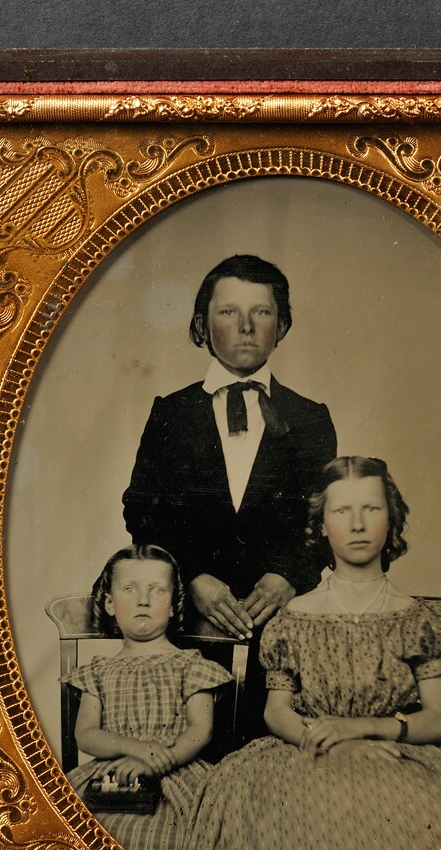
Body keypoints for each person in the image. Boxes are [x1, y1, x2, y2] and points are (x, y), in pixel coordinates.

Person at [176, 457, 441, 850]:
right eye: (342, 511)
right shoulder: (293, 618)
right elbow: (277, 711)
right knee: (283, 832)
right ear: (321, 526)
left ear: (392, 518)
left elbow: (439, 718)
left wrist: (365, 731)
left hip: (398, 758)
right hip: (305, 754)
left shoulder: (420, 619)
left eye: (371, 508)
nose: (358, 524)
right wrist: (332, 740)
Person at [122, 255, 337, 745]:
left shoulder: (310, 418)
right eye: (228, 312)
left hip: (283, 630)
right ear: (202, 324)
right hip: (190, 625)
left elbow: (325, 522)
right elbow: (141, 510)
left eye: (260, 313)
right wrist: (192, 576)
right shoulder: (170, 413)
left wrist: (288, 577)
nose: (245, 326)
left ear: (281, 325)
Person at [64, 544, 232, 850]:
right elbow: (86, 734)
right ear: (110, 603)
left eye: (157, 590)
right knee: (73, 835)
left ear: (173, 605)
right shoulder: (98, 671)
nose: (144, 600)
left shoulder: (190, 664)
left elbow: (200, 730)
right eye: (130, 589)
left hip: (177, 773)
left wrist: (159, 759)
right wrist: (137, 749)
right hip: (111, 776)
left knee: (187, 839)